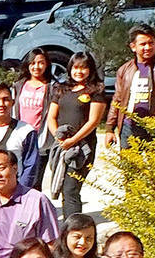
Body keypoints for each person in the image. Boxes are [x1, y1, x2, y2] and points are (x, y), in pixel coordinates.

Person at [42, 52, 109, 217]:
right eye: (76, 67)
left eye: (84, 68)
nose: (79, 71)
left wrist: (73, 140)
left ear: (90, 70)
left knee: (71, 188)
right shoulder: (61, 89)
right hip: (62, 146)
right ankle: (68, 224)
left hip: (82, 148)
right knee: (64, 188)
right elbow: (51, 117)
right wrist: (59, 137)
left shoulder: (96, 90)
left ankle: (74, 227)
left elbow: (93, 121)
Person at [107, 23, 155, 144]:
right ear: (133, 47)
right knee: (129, 157)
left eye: (151, 43)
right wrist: (109, 128)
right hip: (129, 126)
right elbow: (117, 99)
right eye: (143, 44)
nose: (148, 47)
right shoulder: (124, 70)